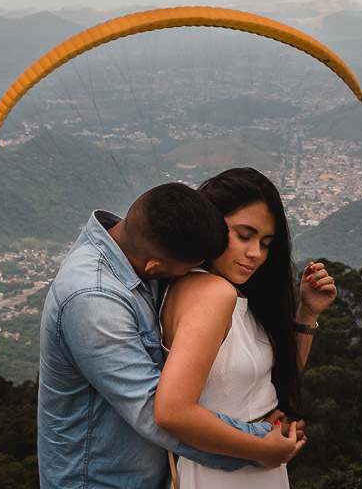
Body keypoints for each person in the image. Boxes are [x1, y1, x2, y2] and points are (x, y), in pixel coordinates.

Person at [37, 182, 302, 489]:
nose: (188, 279)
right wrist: (259, 442)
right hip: (99, 481)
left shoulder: (140, 249)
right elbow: (156, 411)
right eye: (185, 271)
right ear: (155, 265)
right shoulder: (93, 299)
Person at [155, 167, 337, 488]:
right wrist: (261, 448)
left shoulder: (222, 291)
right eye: (243, 235)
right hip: (222, 473)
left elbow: (266, 383)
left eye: (266, 243)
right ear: (210, 223)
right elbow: (172, 413)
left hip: (248, 466)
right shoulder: (213, 294)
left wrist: (307, 314)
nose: (255, 254)